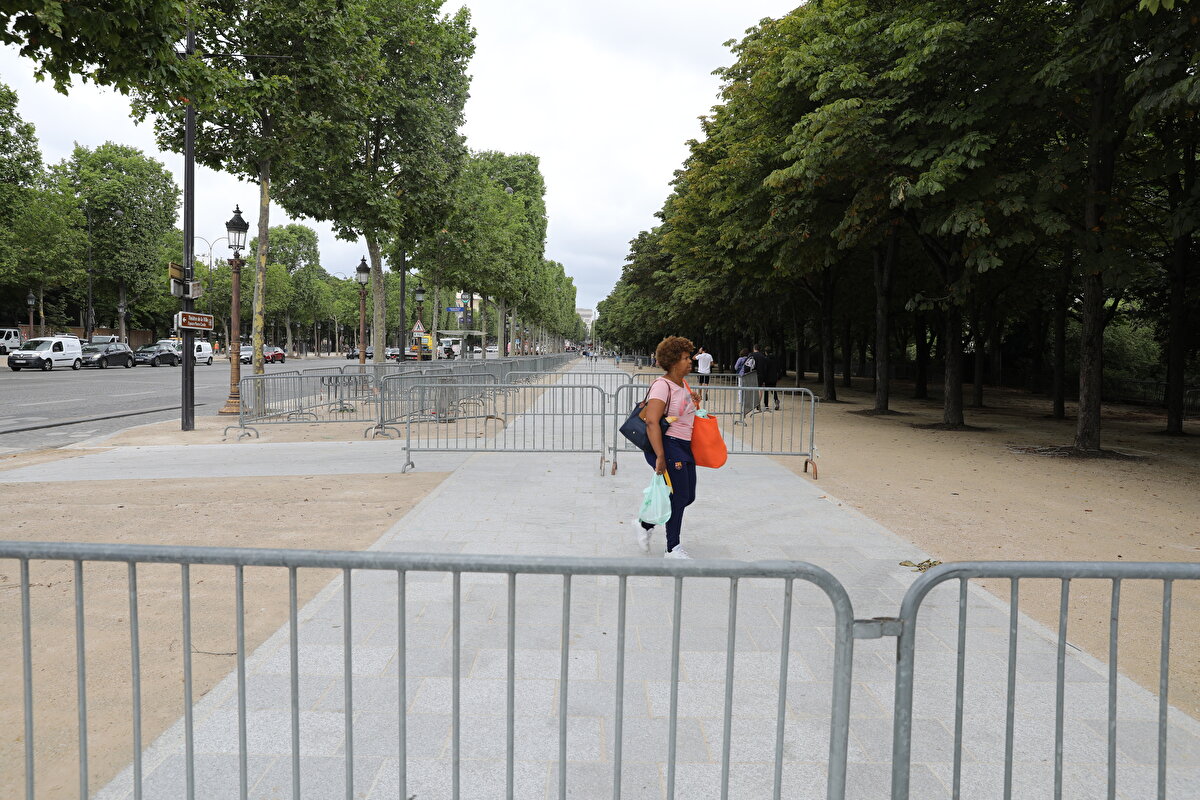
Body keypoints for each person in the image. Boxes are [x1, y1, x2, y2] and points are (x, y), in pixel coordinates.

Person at [636, 336, 701, 559]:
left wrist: (693, 400)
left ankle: (645, 524)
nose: (690, 361)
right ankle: (672, 548)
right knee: (681, 495)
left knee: (687, 496)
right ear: (673, 362)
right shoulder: (662, 386)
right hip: (669, 446)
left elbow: (680, 413)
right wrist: (660, 456)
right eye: (685, 358)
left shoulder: (681, 384)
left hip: (683, 446)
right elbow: (652, 421)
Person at [760, 346, 780, 410]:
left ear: (766, 352)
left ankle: (766, 405)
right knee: (773, 390)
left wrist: (763, 378)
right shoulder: (776, 359)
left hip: (767, 378)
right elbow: (778, 368)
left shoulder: (766, 359)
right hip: (774, 377)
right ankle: (776, 399)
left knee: (766, 391)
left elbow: (765, 369)